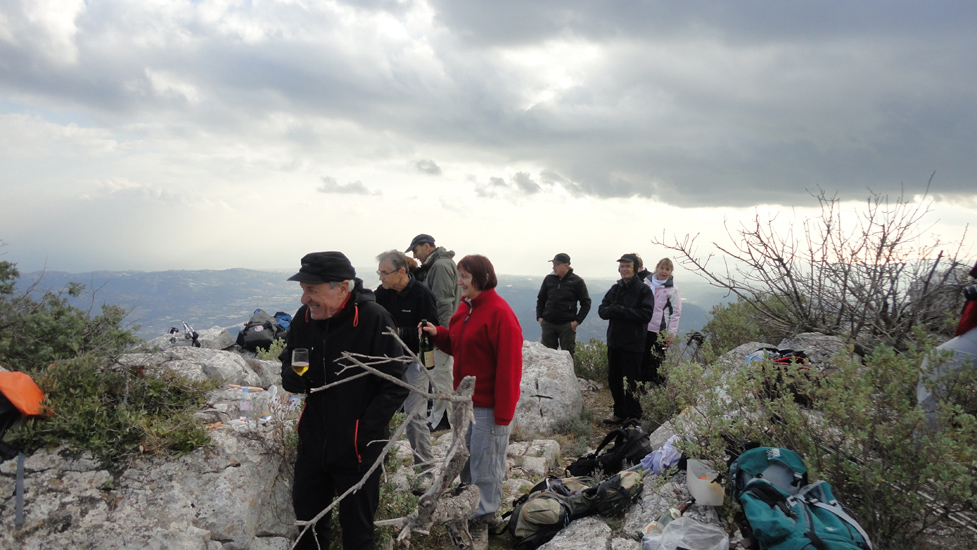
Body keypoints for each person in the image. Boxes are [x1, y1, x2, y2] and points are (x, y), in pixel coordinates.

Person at [279, 251, 408, 550]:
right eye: (303, 290)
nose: (304, 300)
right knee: (306, 530)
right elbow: (289, 358)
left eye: (312, 290)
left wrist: (360, 433)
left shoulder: (373, 319)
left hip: (358, 451)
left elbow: (396, 384)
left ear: (342, 287)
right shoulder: (305, 318)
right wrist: (291, 377)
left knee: (358, 536)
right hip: (313, 443)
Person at [420, 254, 522, 550]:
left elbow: (510, 367)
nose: (459, 282)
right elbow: (457, 344)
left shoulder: (500, 314)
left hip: (489, 407)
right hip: (464, 403)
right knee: (464, 458)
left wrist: (503, 414)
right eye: (459, 275)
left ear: (481, 278)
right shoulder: (466, 309)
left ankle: (483, 517)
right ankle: (468, 506)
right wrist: (436, 334)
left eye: (464, 276)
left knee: (486, 464)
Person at [373, 249, 439, 494]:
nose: (381, 278)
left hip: (415, 360)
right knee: (379, 411)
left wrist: (400, 333)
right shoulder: (382, 294)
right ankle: (377, 467)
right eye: (379, 273)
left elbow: (432, 330)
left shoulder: (422, 295)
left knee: (414, 415)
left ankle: (426, 472)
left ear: (401, 272)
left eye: (384, 273)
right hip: (390, 358)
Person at [406, 233, 463, 431]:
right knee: (441, 373)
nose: (415, 255)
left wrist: (440, 333)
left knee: (442, 374)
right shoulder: (441, 264)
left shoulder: (439, 267)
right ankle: (441, 415)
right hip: (444, 329)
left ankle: (443, 418)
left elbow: (443, 303)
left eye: (416, 250)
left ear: (427, 246)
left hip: (443, 330)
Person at [598, 253, 655, 425]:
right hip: (615, 341)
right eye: (622, 266)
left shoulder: (643, 290)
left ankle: (634, 415)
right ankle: (620, 413)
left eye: (627, 266)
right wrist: (611, 311)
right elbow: (602, 310)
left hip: (633, 343)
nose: (624, 269)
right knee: (614, 380)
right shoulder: (615, 289)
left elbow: (646, 314)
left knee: (632, 381)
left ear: (636, 268)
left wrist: (622, 311)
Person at [536, 253, 592, 358]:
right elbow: (541, 299)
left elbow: (586, 303)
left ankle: (569, 375)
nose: (553, 267)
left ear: (566, 265)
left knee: (568, 355)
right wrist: (539, 317)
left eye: (556, 264)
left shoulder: (577, 281)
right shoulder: (549, 279)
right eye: (553, 264)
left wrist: (577, 321)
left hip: (567, 325)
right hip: (548, 323)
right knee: (547, 355)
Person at [640, 258, 682, 386]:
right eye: (662, 268)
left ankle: (657, 388)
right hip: (642, 327)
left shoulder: (672, 289)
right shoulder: (646, 283)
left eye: (667, 269)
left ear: (671, 272)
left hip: (660, 330)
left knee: (658, 359)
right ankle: (640, 386)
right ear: (657, 268)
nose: (664, 271)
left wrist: (671, 334)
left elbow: (676, 313)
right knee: (642, 358)